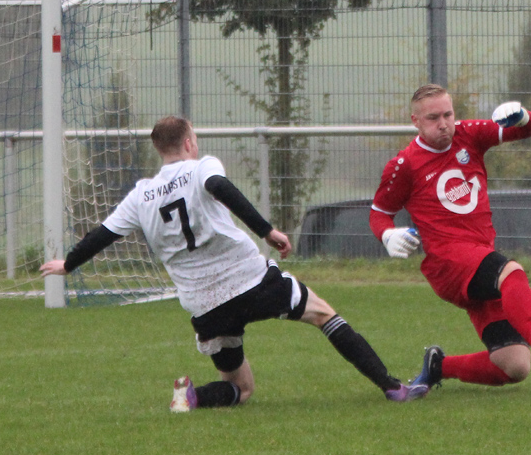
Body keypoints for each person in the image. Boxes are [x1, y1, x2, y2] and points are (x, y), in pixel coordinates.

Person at [40, 115, 428, 411]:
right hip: (250, 279)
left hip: (203, 305)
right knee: (324, 316)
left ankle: (192, 397)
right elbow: (220, 188)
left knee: (241, 389)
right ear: (189, 142)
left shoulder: (140, 195)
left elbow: (103, 235)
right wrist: (267, 230)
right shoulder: (201, 166)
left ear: (159, 149)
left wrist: (68, 265)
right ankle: (392, 386)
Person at [369, 84, 531, 392]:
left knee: (514, 366)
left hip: (479, 256)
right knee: (511, 272)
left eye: (448, 114)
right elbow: (378, 213)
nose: (443, 124)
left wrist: (522, 117)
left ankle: (439, 366)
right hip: (449, 263)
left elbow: (530, 130)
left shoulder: (468, 135)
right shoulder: (405, 165)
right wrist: (387, 234)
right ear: (415, 121)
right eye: (433, 118)